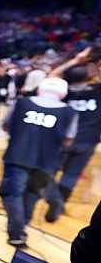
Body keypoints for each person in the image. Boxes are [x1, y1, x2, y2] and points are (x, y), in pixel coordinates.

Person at [0, 77, 77, 246]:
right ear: (63, 93)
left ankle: (17, 231)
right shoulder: (70, 112)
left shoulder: (22, 103)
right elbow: (69, 139)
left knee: (10, 193)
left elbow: (6, 125)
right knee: (32, 194)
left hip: (17, 156)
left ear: (40, 88)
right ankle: (23, 227)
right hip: (47, 161)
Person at [46, 48, 100, 221]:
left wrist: (76, 60)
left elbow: (52, 76)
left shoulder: (67, 91)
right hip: (87, 142)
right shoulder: (96, 91)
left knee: (48, 172)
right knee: (71, 175)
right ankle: (58, 203)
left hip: (65, 140)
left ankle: (54, 199)